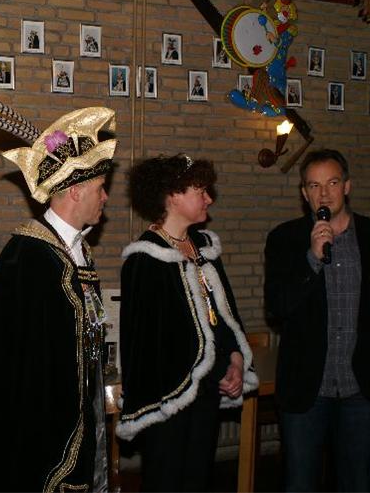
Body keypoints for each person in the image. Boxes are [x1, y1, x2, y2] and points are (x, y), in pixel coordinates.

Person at [0, 107, 118, 491]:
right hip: (39, 434)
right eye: (100, 187)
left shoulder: (77, 251)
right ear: (75, 191)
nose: (106, 196)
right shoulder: (28, 257)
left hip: (78, 417)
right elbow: (17, 366)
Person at [264, 149, 370, 491]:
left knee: (356, 481)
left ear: (347, 186)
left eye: (332, 183)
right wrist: (312, 259)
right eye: (314, 185)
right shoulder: (285, 239)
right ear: (304, 193)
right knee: (300, 483)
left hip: (361, 386)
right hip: (306, 389)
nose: (323, 193)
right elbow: (277, 307)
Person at [117, 155, 258, 491]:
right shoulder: (145, 258)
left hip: (207, 393)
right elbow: (143, 341)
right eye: (200, 191)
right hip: (169, 399)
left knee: (198, 480)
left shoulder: (205, 249)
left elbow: (226, 317)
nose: (209, 199)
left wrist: (235, 360)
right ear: (173, 195)